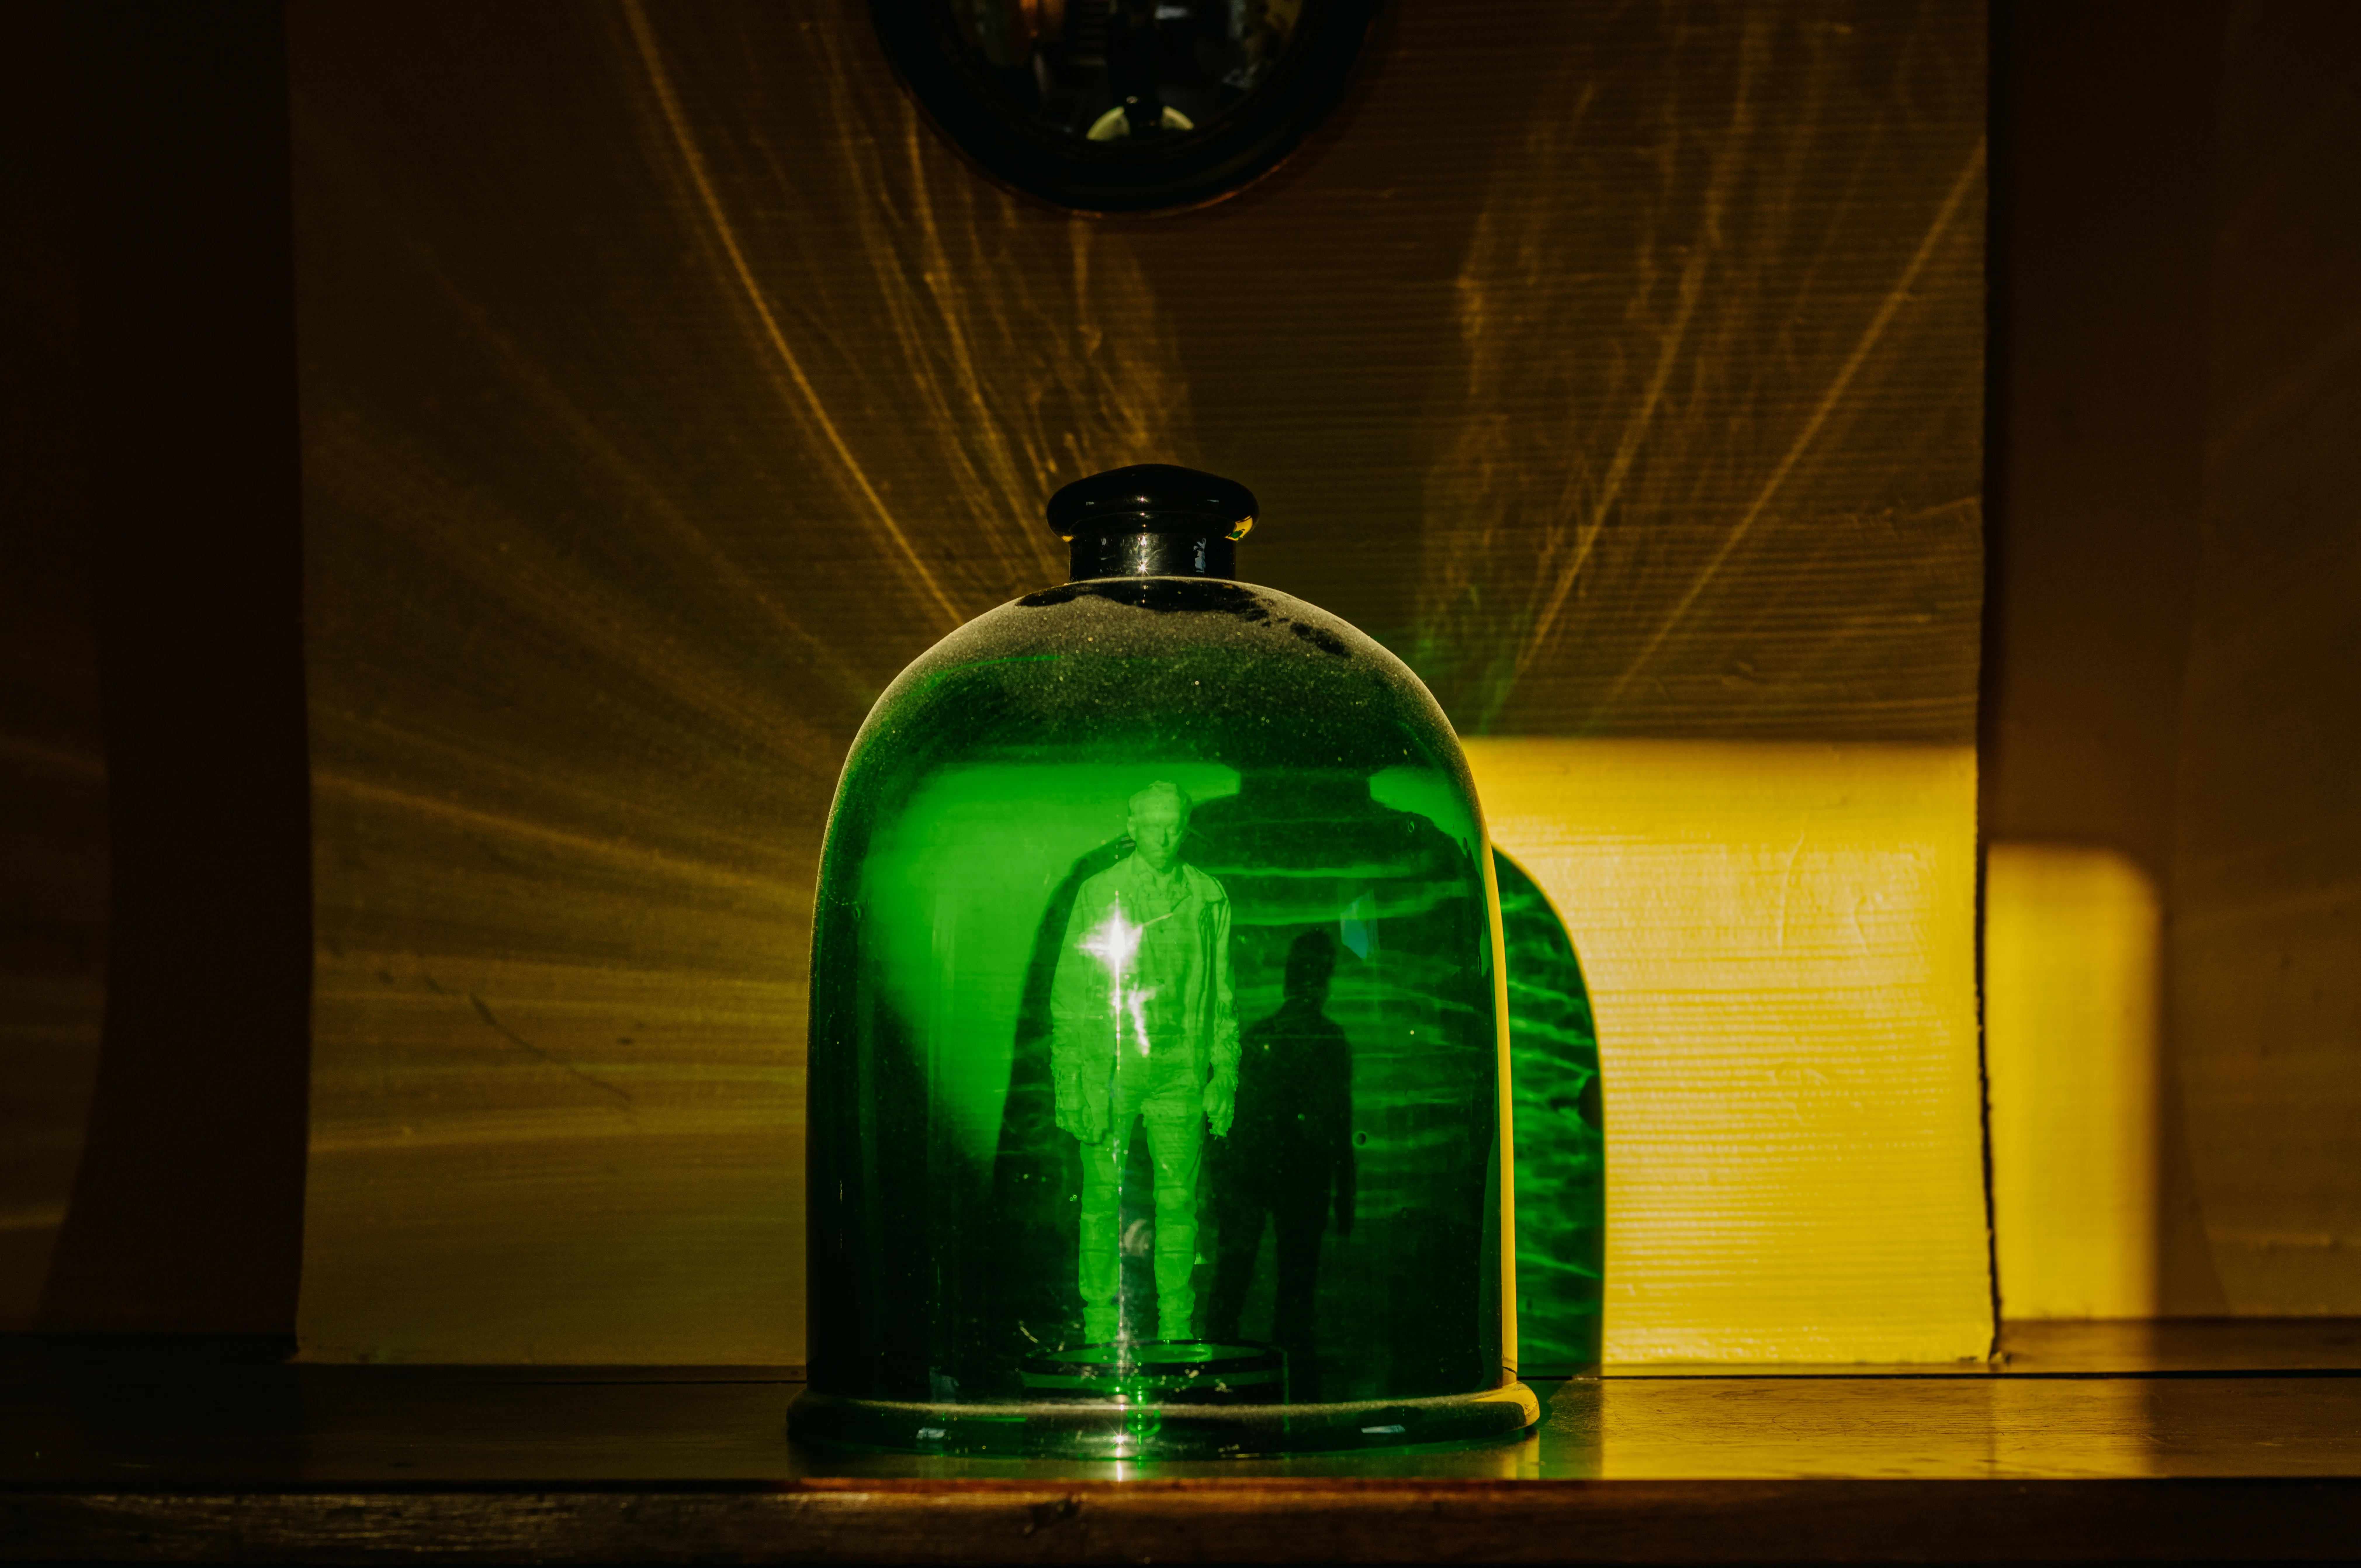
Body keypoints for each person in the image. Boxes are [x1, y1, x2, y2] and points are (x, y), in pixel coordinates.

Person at [1051, 780, 1238, 1345]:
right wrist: (1073, 1085)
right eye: (1151, 824)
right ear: (1130, 827)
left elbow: (1225, 996)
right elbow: (1072, 995)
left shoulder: (1208, 898)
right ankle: (1100, 1328)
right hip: (1113, 1065)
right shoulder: (1099, 892)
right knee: (1101, 1201)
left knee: (1180, 1202)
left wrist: (1224, 1072)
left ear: (1187, 825)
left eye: (1174, 824)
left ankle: (1178, 1331)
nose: (1163, 836)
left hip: (1180, 1065)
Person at [1208, 927, 1355, 1391]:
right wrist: (1345, 1192)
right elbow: (1338, 1125)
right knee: (1291, 1292)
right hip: (1292, 1177)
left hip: (1259, 1177)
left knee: (1240, 1283)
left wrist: (1222, 1184)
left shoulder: (1263, 1037)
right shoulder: (1326, 1040)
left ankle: (1217, 1375)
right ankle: (1289, 1383)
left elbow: (1230, 1121)